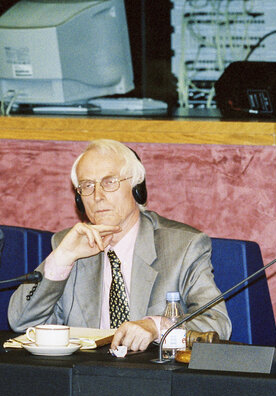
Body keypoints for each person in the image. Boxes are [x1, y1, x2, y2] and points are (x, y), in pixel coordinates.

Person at [8, 139, 231, 351]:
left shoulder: (182, 246)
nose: (97, 196)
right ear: (79, 199)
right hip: (83, 378)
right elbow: (21, 322)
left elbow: (217, 323)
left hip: (153, 381)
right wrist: (61, 259)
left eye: (109, 182)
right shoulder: (70, 245)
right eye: (87, 186)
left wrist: (157, 327)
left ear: (136, 188)